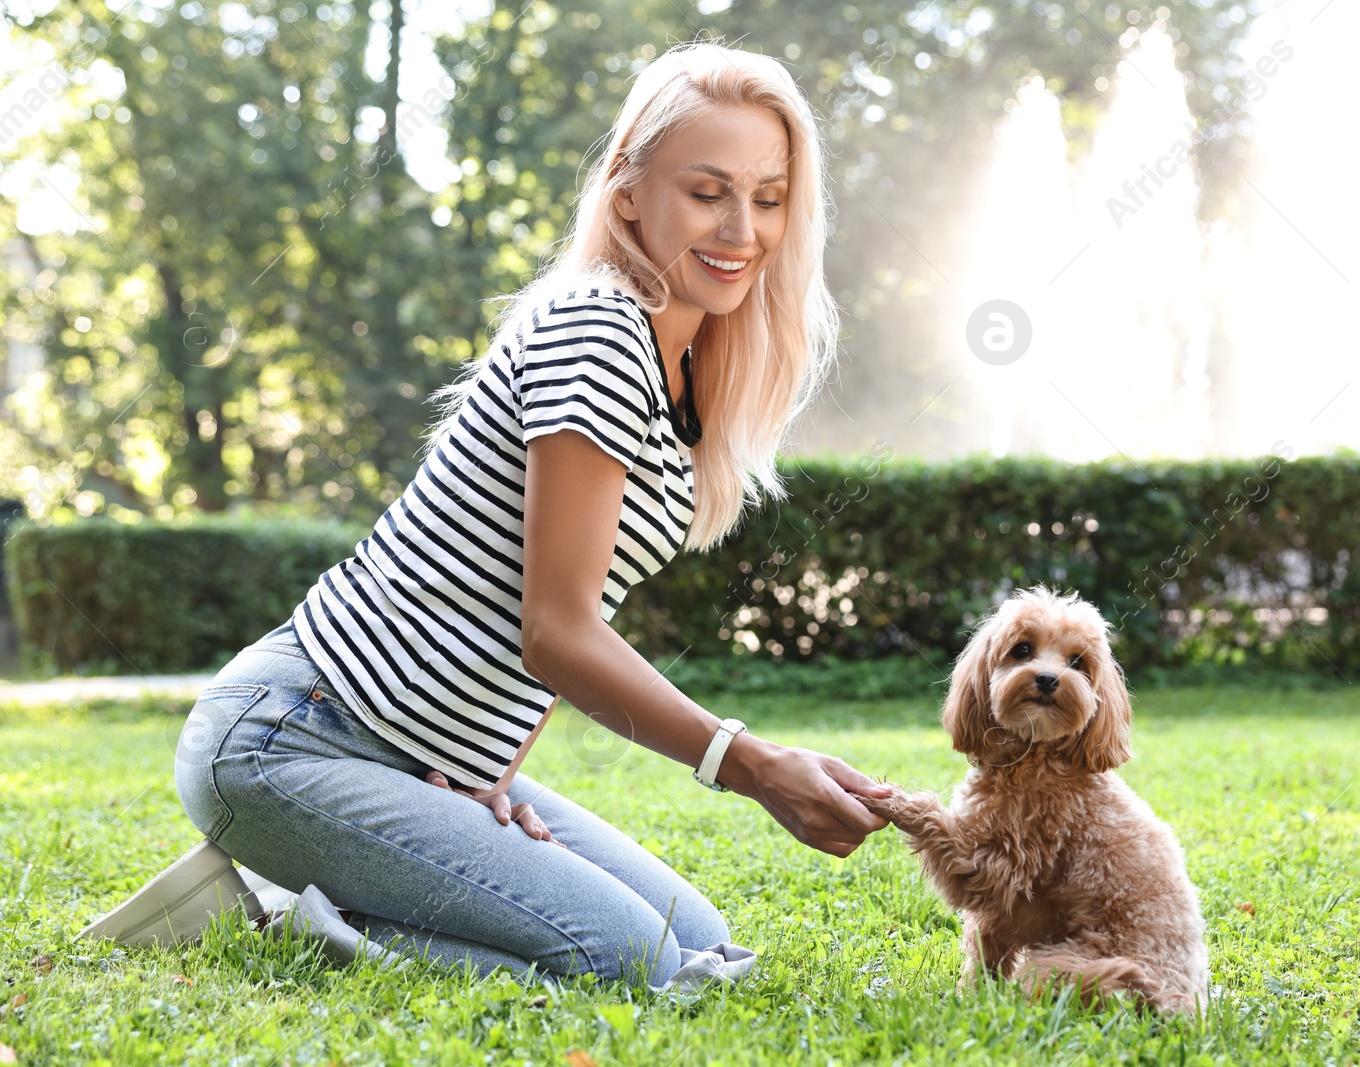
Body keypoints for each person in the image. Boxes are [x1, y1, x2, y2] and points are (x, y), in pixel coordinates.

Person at [90, 39, 894, 987]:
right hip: (292, 736)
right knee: (629, 960)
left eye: (768, 197)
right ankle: (270, 911)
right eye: (708, 191)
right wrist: (751, 764)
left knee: (697, 933)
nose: (742, 228)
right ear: (628, 188)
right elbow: (556, 631)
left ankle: (334, 885)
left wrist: (492, 771)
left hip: (424, 760)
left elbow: (546, 596)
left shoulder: (682, 372)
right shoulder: (599, 331)